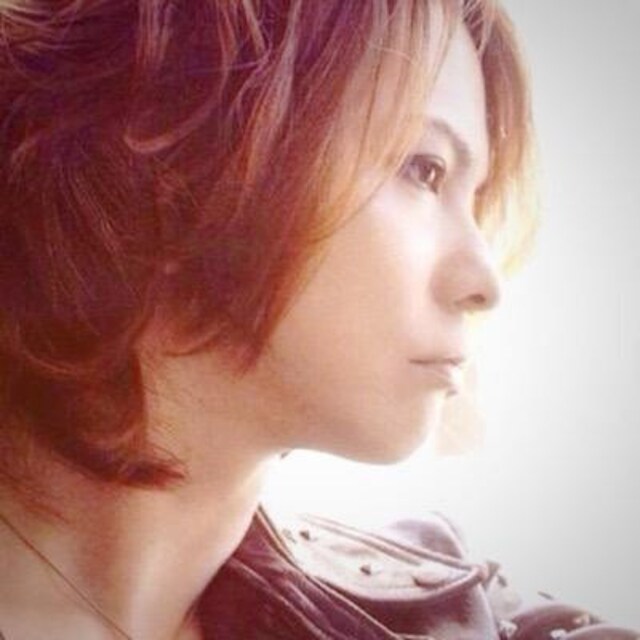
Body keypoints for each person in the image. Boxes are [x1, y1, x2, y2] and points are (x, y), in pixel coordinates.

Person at [0, 1, 636, 639]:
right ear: (173, 153)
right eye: (425, 170)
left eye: (473, 200)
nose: (484, 284)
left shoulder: (474, 623)